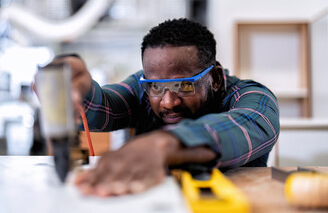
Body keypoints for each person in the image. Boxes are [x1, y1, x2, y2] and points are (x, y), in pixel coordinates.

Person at [47, 18, 280, 196]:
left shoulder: (254, 98)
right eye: (156, 87)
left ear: (216, 79)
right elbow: (102, 108)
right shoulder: (144, 87)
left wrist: (164, 144)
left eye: (184, 86)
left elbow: (248, 124)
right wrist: (75, 91)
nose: (168, 102)